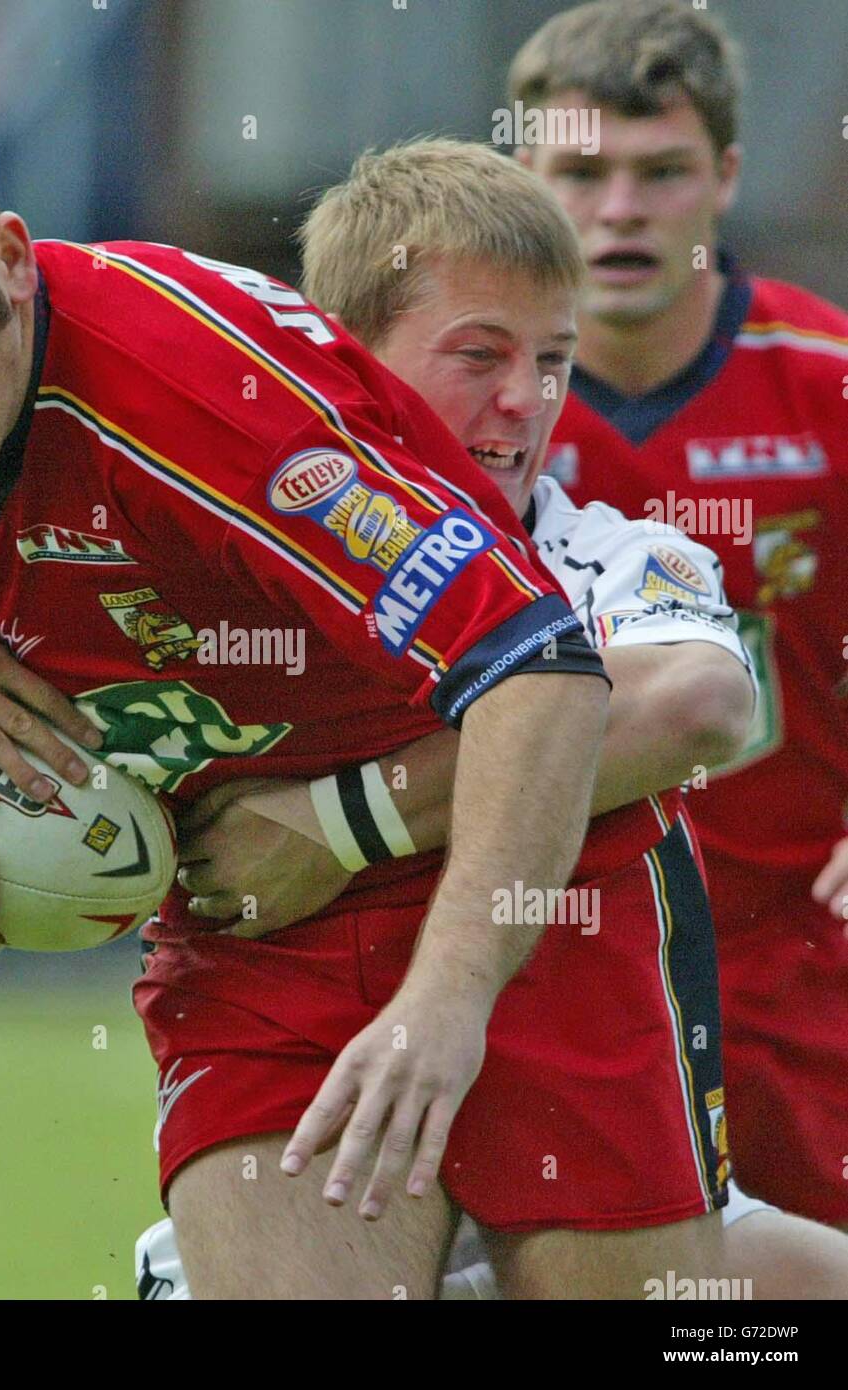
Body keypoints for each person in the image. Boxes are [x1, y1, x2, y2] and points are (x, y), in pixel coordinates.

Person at [0, 93, 614, 1300]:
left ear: (7, 261)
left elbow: (543, 674)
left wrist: (445, 992)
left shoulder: (203, 404)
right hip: (254, 930)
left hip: (536, 873)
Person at [132, 137, 848, 1300]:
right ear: (340, 366)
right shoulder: (226, 568)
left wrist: (339, 820)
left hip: (598, 1131)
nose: (526, 401)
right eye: (479, 358)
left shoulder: (615, 555)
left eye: (553, 361)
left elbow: (696, 699)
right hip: (316, 1155)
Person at [507, 0, 848, 1229]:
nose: (618, 210)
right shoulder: (458, 409)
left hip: (798, 974)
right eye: (580, 172)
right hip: (546, 959)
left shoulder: (825, 385)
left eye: (661, 172)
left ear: (725, 178)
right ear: (521, 178)